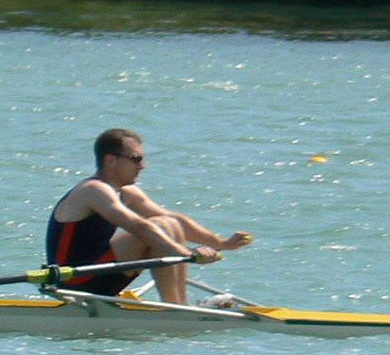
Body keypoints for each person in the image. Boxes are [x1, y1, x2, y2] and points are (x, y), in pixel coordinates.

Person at [46, 128, 251, 305]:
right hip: (74, 280)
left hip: (100, 274)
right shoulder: (93, 190)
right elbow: (139, 227)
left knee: (169, 223)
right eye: (136, 159)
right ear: (110, 160)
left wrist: (222, 243)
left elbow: (177, 221)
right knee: (158, 227)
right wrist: (188, 253)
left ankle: (180, 306)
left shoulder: (127, 192)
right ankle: (176, 313)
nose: (142, 166)